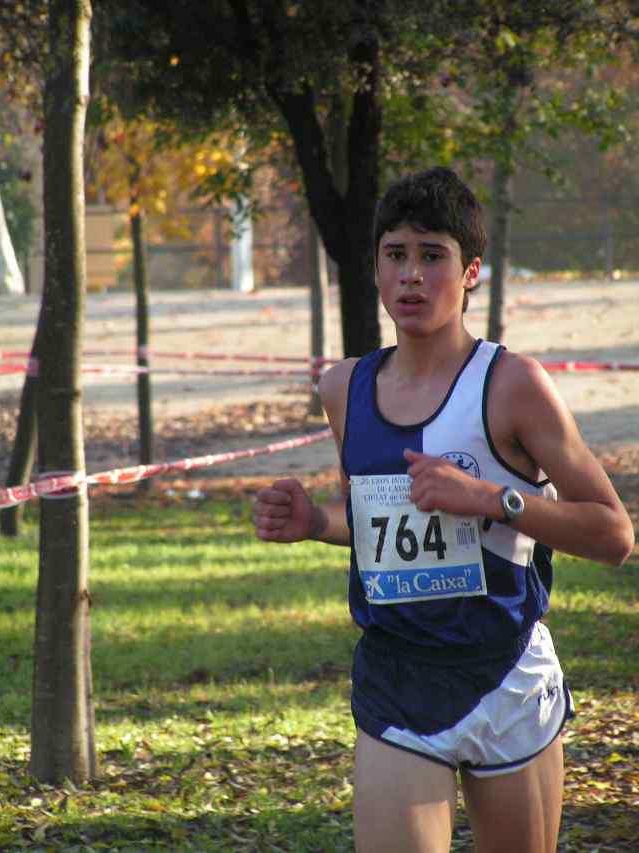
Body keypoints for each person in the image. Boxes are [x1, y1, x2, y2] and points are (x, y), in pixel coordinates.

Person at [253, 166, 634, 853]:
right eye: (395, 254)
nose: (412, 275)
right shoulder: (343, 387)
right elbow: (379, 523)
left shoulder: (512, 384)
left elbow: (613, 534)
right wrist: (315, 523)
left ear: (470, 273)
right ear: (375, 268)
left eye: (433, 256)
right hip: (397, 678)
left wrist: (494, 499)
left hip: (505, 674)